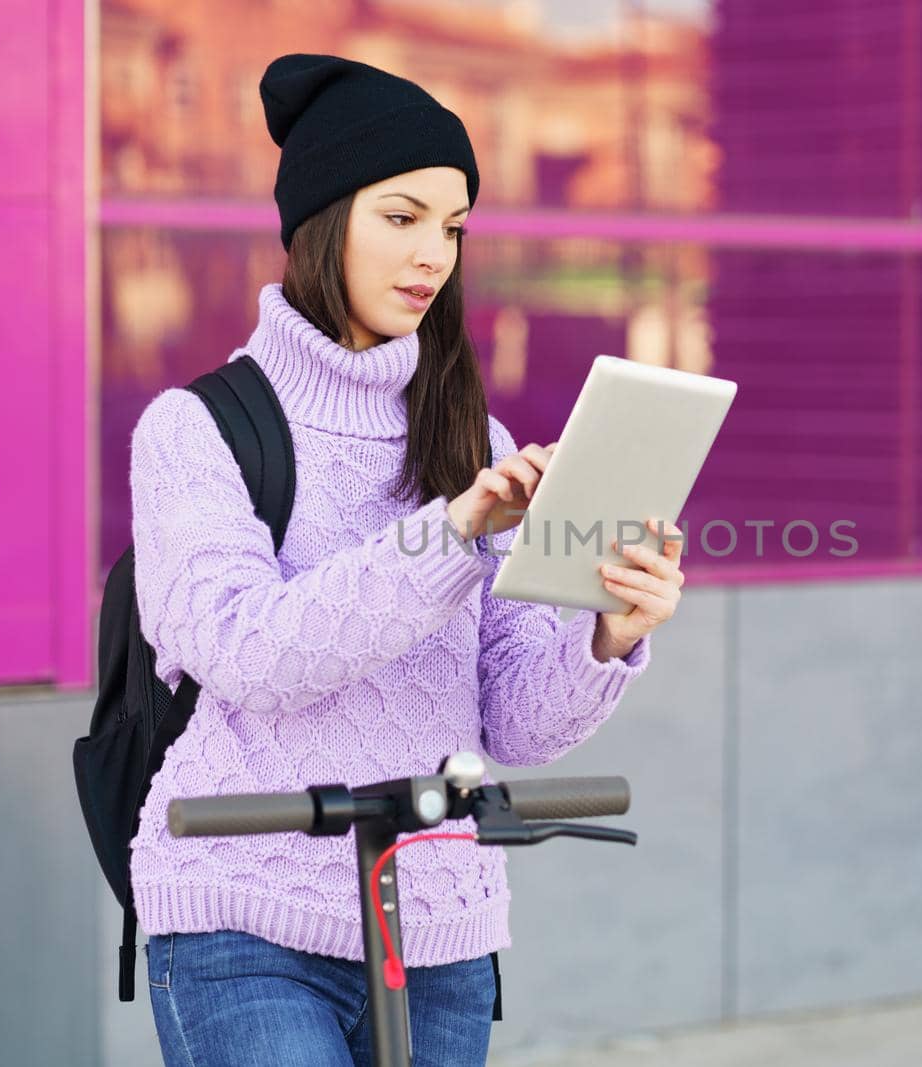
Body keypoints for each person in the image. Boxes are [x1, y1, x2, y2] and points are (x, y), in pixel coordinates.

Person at [127, 54, 684, 1067]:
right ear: (322, 220)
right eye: (402, 216)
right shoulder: (196, 430)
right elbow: (250, 653)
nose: (433, 252)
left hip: (437, 925)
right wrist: (450, 534)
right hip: (242, 919)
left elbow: (512, 720)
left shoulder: (472, 436)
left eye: (454, 226)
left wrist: (606, 632)